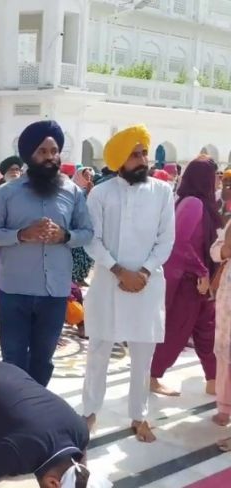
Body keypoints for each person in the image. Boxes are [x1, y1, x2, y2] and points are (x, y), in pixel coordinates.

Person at [0, 120, 94, 386]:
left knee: (44, 359)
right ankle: (13, 406)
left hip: (54, 292)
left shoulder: (73, 192)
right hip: (15, 291)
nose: (49, 157)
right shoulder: (7, 193)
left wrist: (65, 236)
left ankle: (36, 405)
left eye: (54, 151)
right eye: (42, 151)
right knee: (13, 359)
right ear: (29, 155)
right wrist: (21, 235)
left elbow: (87, 232)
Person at [83, 124, 175, 443]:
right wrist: (120, 271)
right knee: (99, 350)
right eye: (135, 154)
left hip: (147, 285)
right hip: (109, 282)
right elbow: (91, 239)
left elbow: (166, 239)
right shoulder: (100, 193)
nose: (142, 160)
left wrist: (144, 272)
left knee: (142, 355)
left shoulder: (162, 192)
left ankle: (139, 415)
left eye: (144, 153)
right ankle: (89, 411)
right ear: (119, 159)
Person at [150, 156, 220, 396]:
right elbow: (180, 243)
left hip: (201, 282)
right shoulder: (193, 203)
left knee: (207, 332)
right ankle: (152, 376)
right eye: (214, 175)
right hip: (188, 281)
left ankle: (214, 380)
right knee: (176, 332)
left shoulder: (202, 203)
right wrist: (201, 271)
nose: (217, 180)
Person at [211, 220, 231, 444]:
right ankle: (224, 406)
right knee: (225, 358)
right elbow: (215, 251)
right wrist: (225, 249)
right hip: (228, 303)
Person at [72, 167, 96, 286]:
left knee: (87, 255)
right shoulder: (72, 190)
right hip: (75, 228)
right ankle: (74, 279)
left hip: (87, 227)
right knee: (76, 256)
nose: (88, 178)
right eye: (86, 176)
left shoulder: (93, 190)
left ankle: (81, 277)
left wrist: (90, 192)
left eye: (90, 176)